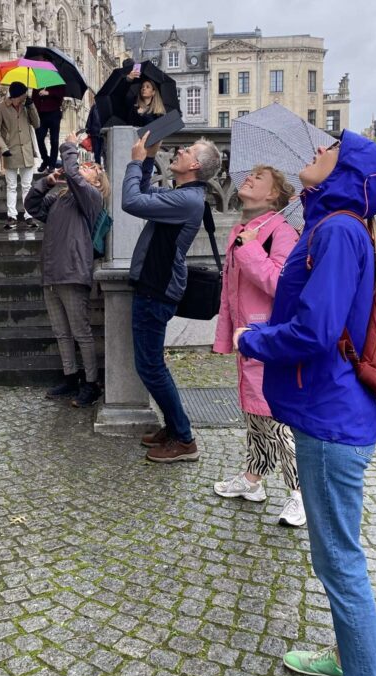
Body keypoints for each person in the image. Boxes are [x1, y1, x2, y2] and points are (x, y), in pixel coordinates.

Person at [235, 131, 376, 676]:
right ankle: (353, 658)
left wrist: (252, 338)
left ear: (349, 170)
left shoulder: (336, 231)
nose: (315, 151)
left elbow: (315, 330)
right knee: (334, 553)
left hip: (333, 418)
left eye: (330, 148)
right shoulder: (330, 223)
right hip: (325, 412)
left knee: (339, 558)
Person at [212, 166, 305, 527]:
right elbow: (230, 294)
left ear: (273, 196)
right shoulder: (242, 231)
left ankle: (301, 493)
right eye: (249, 175)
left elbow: (282, 285)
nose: (249, 179)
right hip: (246, 336)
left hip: (268, 338)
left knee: (274, 416)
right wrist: (225, 334)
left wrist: (250, 250)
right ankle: (253, 479)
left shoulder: (280, 233)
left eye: (259, 178)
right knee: (254, 411)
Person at [124, 135, 222, 463]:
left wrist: (136, 162)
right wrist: (149, 159)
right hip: (155, 285)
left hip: (157, 289)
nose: (179, 150)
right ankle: (173, 427)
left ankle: (184, 438)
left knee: (150, 367)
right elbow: (147, 193)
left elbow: (132, 202)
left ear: (194, 165)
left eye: (188, 150)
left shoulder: (189, 199)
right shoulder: (183, 194)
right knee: (152, 365)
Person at [24, 134, 110, 407]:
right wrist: (46, 182)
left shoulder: (91, 197)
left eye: (92, 168)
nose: (86, 166)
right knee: (61, 331)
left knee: (80, 331)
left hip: (73, 270)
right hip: (52, 271)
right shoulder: (62, 198)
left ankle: (90, 382)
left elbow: (73, 175)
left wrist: (70, 146)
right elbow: (32, 206)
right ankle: (70, 376)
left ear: (97, 182)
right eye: (86, 164)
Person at [0, 82, 40, 230]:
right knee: (11, 185)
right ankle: (11, 216)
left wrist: (31, 106)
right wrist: (3, 148)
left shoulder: (27, 106)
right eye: (24, 94)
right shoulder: (1, 108)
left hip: (26, 152)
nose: (26, 96)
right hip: (10, 151)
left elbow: (37, 124)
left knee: (27, 186)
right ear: (17, 95)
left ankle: (28, 215)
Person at [33, 83, 66, 172]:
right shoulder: (38, 82)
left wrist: (48, 93)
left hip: (54, 113)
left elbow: (61, 94)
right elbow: (34, 97)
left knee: (54, 140)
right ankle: (45, 159)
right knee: (39, 138)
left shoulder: (58, 81)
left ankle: (52, 164)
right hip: (41, 114)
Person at [84, 91, 104, 165]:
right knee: (96, 152)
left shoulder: (106, 106)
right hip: (95, 132)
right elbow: (90, 118)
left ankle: (105, 167)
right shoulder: (94, 107)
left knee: (104, 151)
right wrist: (88, 129)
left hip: (104, 133)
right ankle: (97, 166)